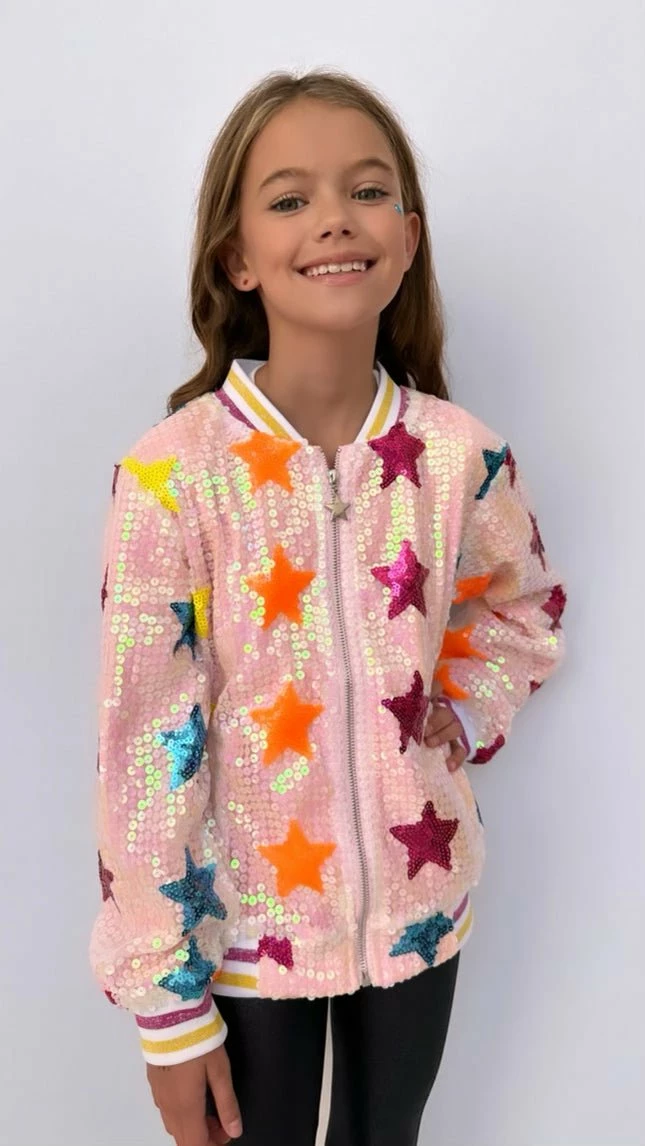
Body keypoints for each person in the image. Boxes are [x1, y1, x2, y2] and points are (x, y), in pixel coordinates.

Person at [89, 67, 567, 1146]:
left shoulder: (460, 457)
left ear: (407, 237)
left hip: (420, 903)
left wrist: (463, 710)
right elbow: (144, 749)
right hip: (244, 930)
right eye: (290, 198)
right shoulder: (172, 476)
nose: (335, 219)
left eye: (368, 190)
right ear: (238, 257)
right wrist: (167, 1008)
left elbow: (523, 609)